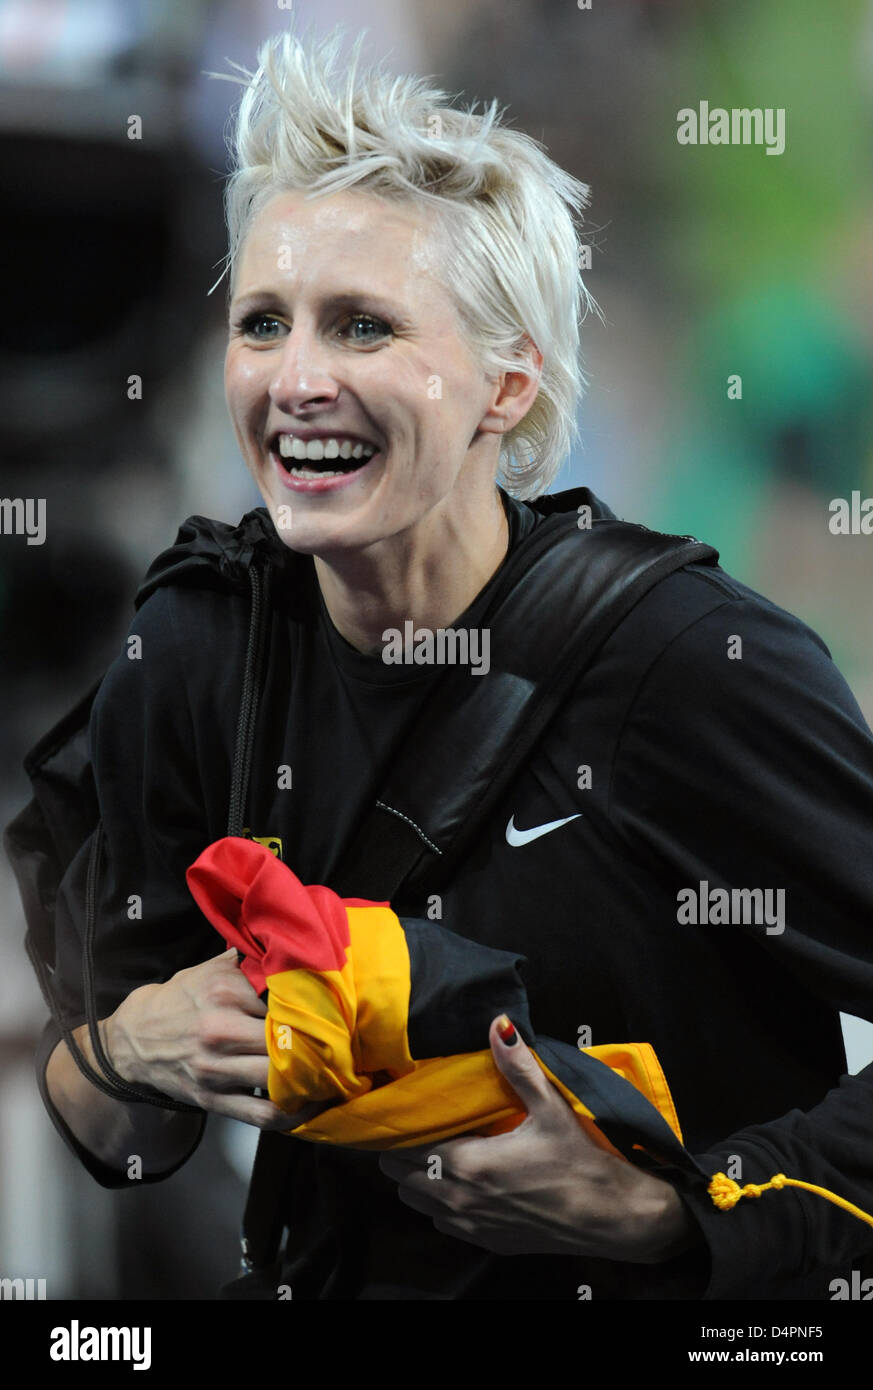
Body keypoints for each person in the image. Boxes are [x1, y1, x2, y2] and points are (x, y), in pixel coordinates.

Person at [30, 27, 873, 1301]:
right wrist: (119, 1054)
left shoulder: (688, 664)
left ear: (507, 387)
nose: (296, 380)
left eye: (362, 327)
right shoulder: (195, 651)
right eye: (264, 323)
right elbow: (114, 1136)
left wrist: (670, 1211)